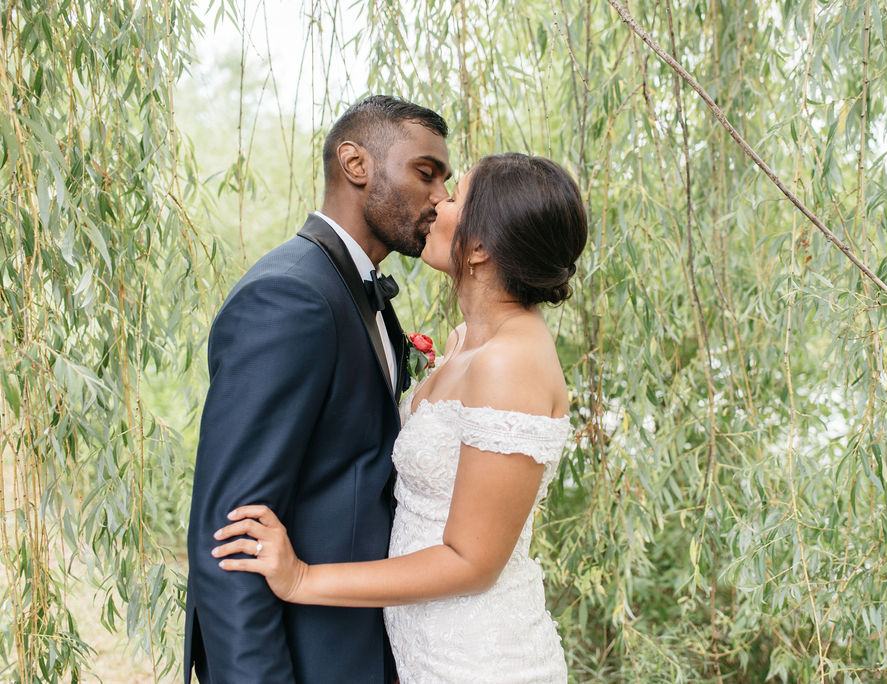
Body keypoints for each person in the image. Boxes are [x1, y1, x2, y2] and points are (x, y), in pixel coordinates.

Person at [211, 153, 588, 682]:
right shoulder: (469, 345)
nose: (438, 201)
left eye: (454, 197)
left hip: (477, 658)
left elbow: (471, 561)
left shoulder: (510, 364)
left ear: (479, 247)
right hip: (423, 649)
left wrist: (302, 580)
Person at [184, 95, 451, 683]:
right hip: (308, 660)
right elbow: (230, 538)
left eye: (445, 181)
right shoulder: (290, 297)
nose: (441, 198)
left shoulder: (358, 291)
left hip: (372, 648)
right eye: (425, 173)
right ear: (355, 163)